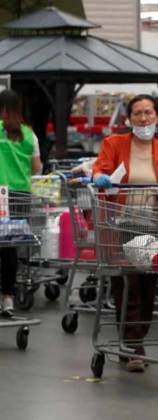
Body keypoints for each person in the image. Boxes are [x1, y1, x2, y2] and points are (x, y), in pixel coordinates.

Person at [92, 94, 158, 372]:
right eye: (137, 113)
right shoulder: (114, 144)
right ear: (128, 119)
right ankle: (135, 347)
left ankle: (134, 340)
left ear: (157, 117)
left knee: (147, 287)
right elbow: (100, 169)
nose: (143, 118)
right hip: (121, 223)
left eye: (148, 113)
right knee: (127, 284)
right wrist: (99, 178)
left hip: (154, 225)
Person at [0, 90, 42, 317]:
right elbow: (36, 168)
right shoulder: (29, 135)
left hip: (0, 194)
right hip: (20, 197)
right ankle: (7, 297)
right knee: (9, 247)